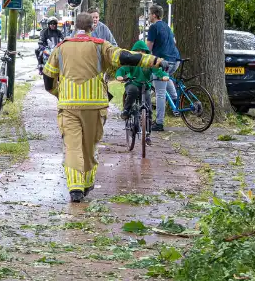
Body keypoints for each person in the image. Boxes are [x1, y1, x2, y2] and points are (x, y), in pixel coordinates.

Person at [43, 12, 168, 202]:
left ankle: (75, 188)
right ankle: (86, 182)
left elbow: (48, 77)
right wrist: (155, 61)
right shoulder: (101, 46)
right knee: (90, 146)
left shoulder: (61, 48)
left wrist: (58, 93)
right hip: (94, 105)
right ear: (92, 27)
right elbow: (125, 57)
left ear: (76, 27)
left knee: (72, 146)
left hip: (68, 106)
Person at [145, 5, 180, 132]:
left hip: (162, 62)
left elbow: (148, 48)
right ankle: (176, 100)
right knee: (167, 78)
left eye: (149, 14)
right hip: (175, 60)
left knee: (160, 92)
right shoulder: (166, 26)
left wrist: (143, 58)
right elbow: (174, 42)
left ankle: (159, 123)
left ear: (154, 15)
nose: (148, 17)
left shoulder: (154, 27)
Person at [116, 40, 165, 119]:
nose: (140, 52)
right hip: (133, 83)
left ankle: (148, 118)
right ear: (133, 52)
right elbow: (122, 69)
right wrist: (119, 76)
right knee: (133, 90)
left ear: (146, 52)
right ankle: (126, 110)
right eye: (137, 51)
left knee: (147, 98)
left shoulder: (149, 63)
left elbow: (157, 70)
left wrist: (163, 76)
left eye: (142, 51)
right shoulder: (131, 62)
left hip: (144, 85)